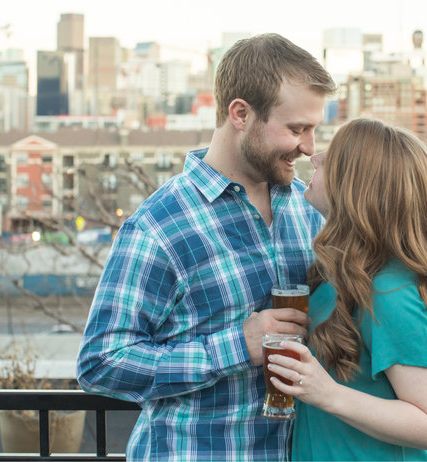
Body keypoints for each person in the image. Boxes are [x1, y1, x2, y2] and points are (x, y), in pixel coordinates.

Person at [75, 33, 336, 461]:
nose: (308, 147)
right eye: (296, 129)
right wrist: (238, 346)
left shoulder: (309, 211)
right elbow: (101, 362)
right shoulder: (159, 226)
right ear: (240, 114)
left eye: (312, 130)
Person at [264, 118, 427, 461]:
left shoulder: (391, 293)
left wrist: (326, 393)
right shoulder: (338, 278)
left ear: (356, 186)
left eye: (332, 157)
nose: (315, 157)